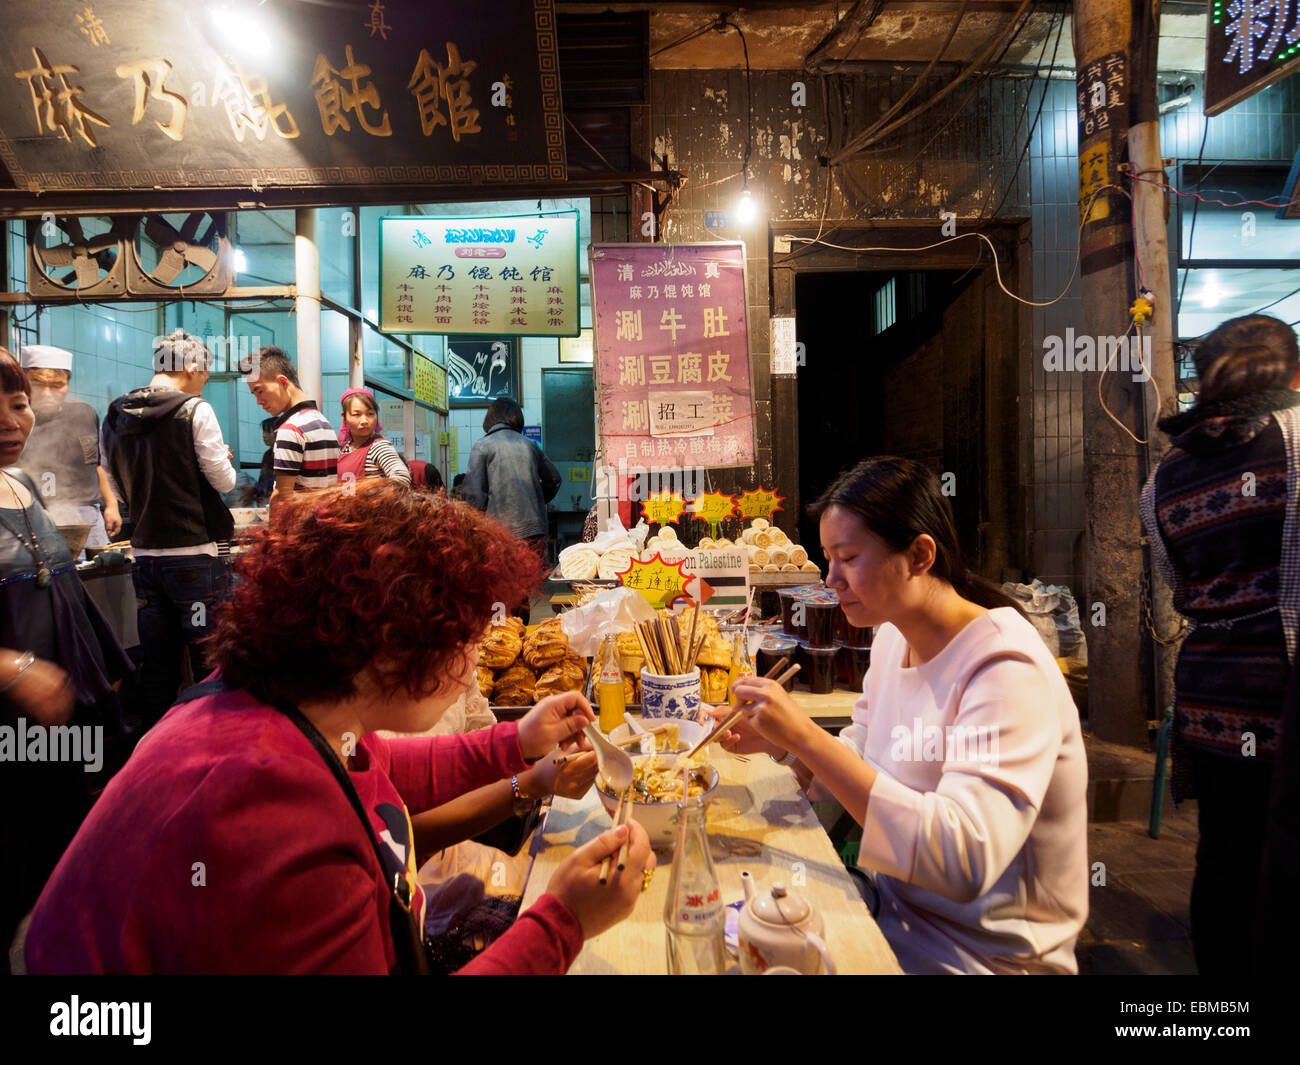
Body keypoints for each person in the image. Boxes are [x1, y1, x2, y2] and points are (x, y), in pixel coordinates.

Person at [23, 480, 653, 974]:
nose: (471, 667)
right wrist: (565, 920)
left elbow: (385, 769)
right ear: (388, 646)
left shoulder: (285, 713)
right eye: (461, 643)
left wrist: (515, 740)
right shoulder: (268, 811)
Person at [711, 456, 1088, 974]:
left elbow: (963, 861)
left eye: (847, 558)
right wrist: (782, 744)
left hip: (979, 958)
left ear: (919, 555)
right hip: (890, 915)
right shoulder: (892, 638)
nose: (831, 578)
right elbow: (867, 750)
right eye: (827, 558)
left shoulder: (1006, 667)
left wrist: (806, 737)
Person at [1139, 313, 1300, 976]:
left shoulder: (1164, 478)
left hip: (1210, 691)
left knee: (1225, 857)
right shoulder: (1294, 436)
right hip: (1284, 690)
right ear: (1292, 373)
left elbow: (1180, 581)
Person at [0, 350, 132, 967]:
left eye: (18, 403)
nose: (11, 420)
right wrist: (14, 670)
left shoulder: (20, 483)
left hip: (55, 717)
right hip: (9, 714)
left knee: (53, 851)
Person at [101, 330, 236, 730]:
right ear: (191, 367)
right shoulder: (195, 409)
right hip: (195, 557)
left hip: (144, 559)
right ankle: (211, 748)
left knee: (157, 669)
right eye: (207, 371)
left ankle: (155, 756)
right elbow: (224, 482)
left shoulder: (115, 413)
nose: (206, 379)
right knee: (208, 663)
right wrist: (222, 459)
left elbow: (118, 483)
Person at [463, 398, 561, 620]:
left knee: (500, 592)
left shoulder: (482, 446)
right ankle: (521, 633)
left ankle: (503, 639)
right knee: (523, 590)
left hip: (499, 534)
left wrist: (473, 530)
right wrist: (536, 501)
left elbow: (473, 495)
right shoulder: (530, 445)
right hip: (533, 534)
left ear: (490, 419)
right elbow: (554, 479)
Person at [17, 345, 121, 549]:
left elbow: (94, 465)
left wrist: (111, 503)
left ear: (67, 384)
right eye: (38, 384)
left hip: (88, 517)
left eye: (57, 385)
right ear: (24, 382)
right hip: (32, 516)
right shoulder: (13, 421)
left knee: (96, 576)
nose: (47, 393)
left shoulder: (84, 414)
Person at [244, 346, 338, 512]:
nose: (259, 401)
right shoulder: (323, 421)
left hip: (301, 530)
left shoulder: (291, 429)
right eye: (255, 394)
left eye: (260, 391)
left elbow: (283, 496)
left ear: (282, 381)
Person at [338, 387, 411, 486]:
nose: (364, 421)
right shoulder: (343, 449)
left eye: (370, 414)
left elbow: (402, 478)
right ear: (344, 418)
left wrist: (375, 495)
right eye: (356, 415)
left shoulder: (379, 447)